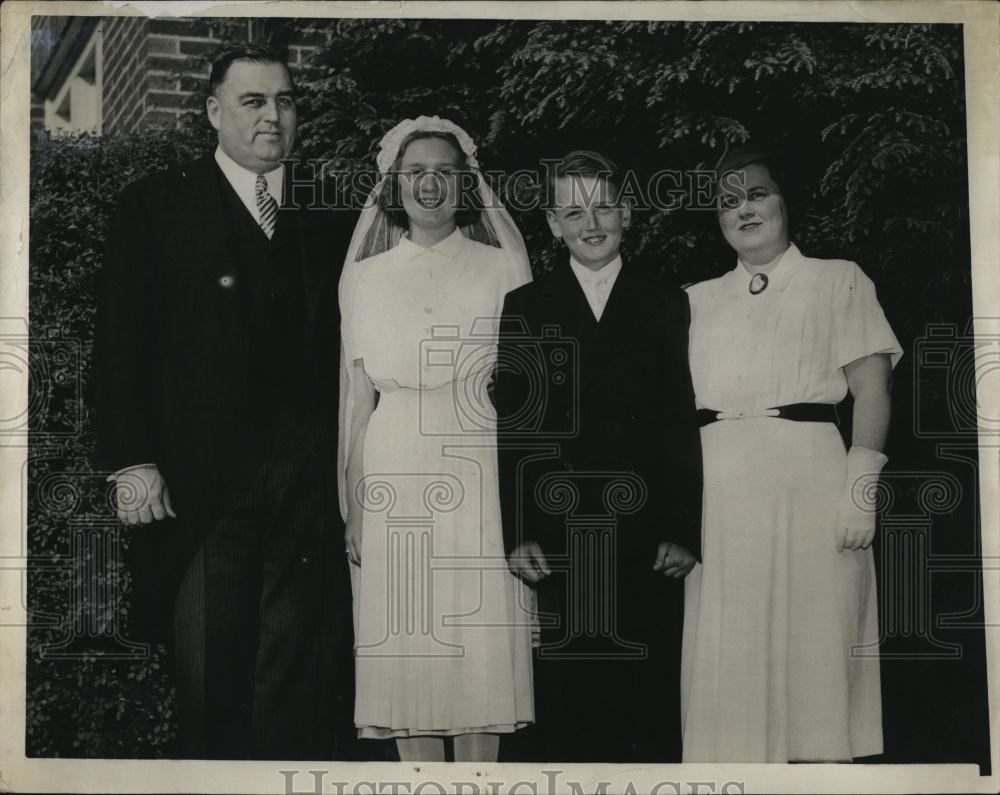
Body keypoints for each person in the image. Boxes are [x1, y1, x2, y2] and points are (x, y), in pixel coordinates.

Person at [94, 44, 355, 759]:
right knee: (210, 678)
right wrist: (132, 461)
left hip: (306, 488)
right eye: (253, 101)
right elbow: (120, 343)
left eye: (286, 100)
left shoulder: (335, 215)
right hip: (201, 486)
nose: (274, 116)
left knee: (297, 682)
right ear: (213, 112)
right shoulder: (154, 205)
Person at [680, 145, 903, 762]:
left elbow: (871, 388)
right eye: (728, 201)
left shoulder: (839, 278)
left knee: (817, 645)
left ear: (784, 201)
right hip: (720, 485)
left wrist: (862, 489)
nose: (743, 209)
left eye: (756, 193)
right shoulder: (695, 298)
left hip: (811, 477)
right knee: (730, 652)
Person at [495, 150, 703, 762]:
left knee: (650, 694)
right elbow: (517, 430)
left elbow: (679, 420)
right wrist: (520, 531)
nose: (592, 223)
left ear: (628, 213)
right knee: (571, 696)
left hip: (647, 534)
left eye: (605, 206)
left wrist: (681, 529)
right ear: (553, 225)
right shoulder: (527, 306)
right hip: (562, 531)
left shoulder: (666, 300)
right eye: (573, 211)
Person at [338, 116, 534, 762]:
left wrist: (523, 504)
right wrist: (357, 503)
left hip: (478, 460)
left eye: (443, 172)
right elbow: (358, 401)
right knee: (408, 643)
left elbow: (526, 397)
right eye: (415, 172)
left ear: (464, 183)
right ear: (395, 185)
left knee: (478, 641)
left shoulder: (501, 267)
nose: (429, 185)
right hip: (394, 462)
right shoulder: (365, 278)